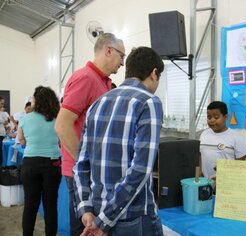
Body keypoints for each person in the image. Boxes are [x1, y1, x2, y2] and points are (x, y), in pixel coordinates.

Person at [73, 46, 164, 236]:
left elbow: (80, 165)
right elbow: (140, 170)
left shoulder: (97, 104)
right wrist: (105, 220)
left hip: (96, 214)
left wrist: (87, 210)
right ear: (154, 73)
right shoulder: (149, 102)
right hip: (132, 217)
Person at [55, 33, 125, 236]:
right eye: (122, 56)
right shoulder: (85, 78)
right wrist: (84, 164)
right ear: (108, 50)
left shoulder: (103, 81)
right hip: (83, 174)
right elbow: (62, 125)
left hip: (93, 172)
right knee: (84, 228)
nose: (122, 62)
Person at [17, 86, 62, 236]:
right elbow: (62, 140)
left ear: (36, 101)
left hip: (30, 163)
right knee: (50, 205)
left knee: (30, 205)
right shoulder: (58, 118)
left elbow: (21, 140)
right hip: (53, 162)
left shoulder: (24, 119)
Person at [199, 101, 246, 178]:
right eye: (209, 117)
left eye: (216, 117)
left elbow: (241, 161)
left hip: (226, 183)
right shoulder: (204, 134)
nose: (212, 120)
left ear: (226, 117)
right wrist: (200, 172)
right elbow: (200, 155)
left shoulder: (236, 137)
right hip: (205, 182)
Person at [0, 96, 10, 165]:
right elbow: (3, 122)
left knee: (1, 156)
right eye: (1, 103)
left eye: (3, 103)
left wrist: (7, 127)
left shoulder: (3, 113)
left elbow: (6, 123)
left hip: (2, 136)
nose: (2, 105)